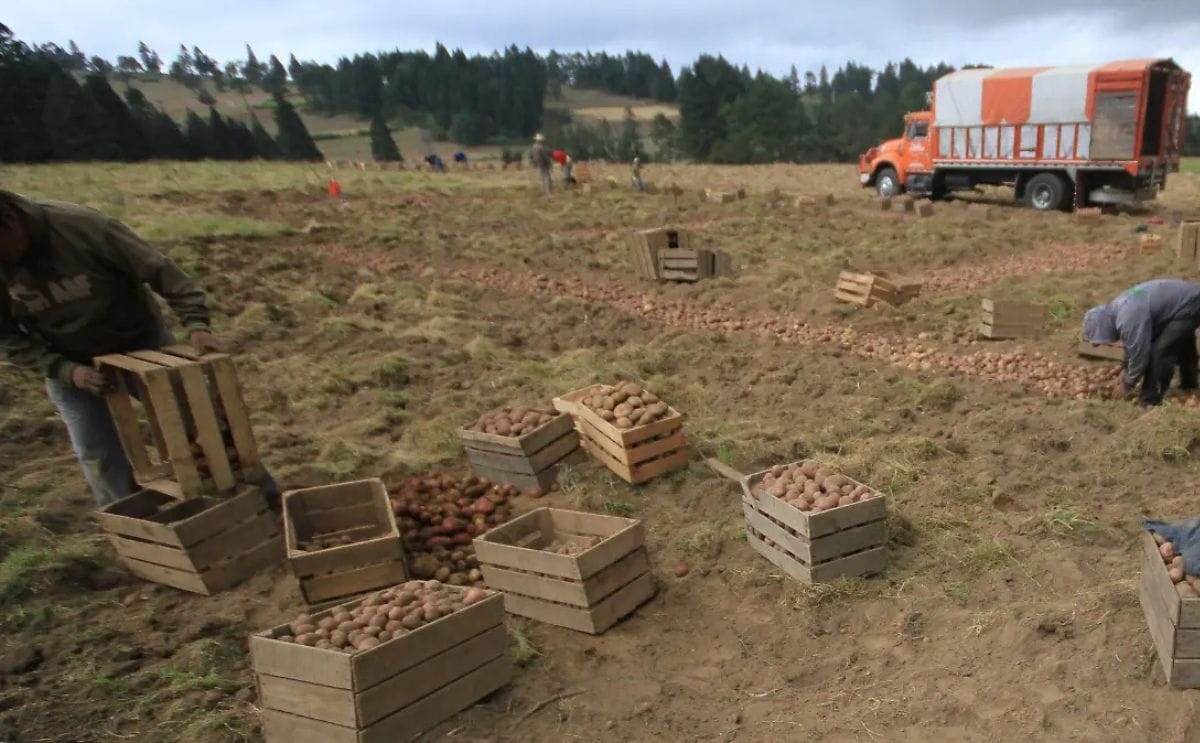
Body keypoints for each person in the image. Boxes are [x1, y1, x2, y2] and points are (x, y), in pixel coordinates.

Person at [0, 190, 273, 505]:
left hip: (137, 340)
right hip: (65, 358)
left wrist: (196, 324)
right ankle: (142, 531)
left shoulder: (84, 228)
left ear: (10, 222)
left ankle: (266, 504)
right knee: (97, 453)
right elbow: (7, 337)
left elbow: (161, 271)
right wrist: (66, 371)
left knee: (203, 426)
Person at [1083, 279, 1200, 407]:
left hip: (1191, 302)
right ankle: (1190, 384)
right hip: (1186, 299)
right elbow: (1132, 343)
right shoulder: (1117, 309)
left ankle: (1150, 400)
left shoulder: (1128, 318)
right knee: (1179, 338)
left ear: (1104, 326)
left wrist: (1128, 384)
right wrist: (1126, 367)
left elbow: (1140, 353)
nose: (1099, 344)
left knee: (1160, 351)